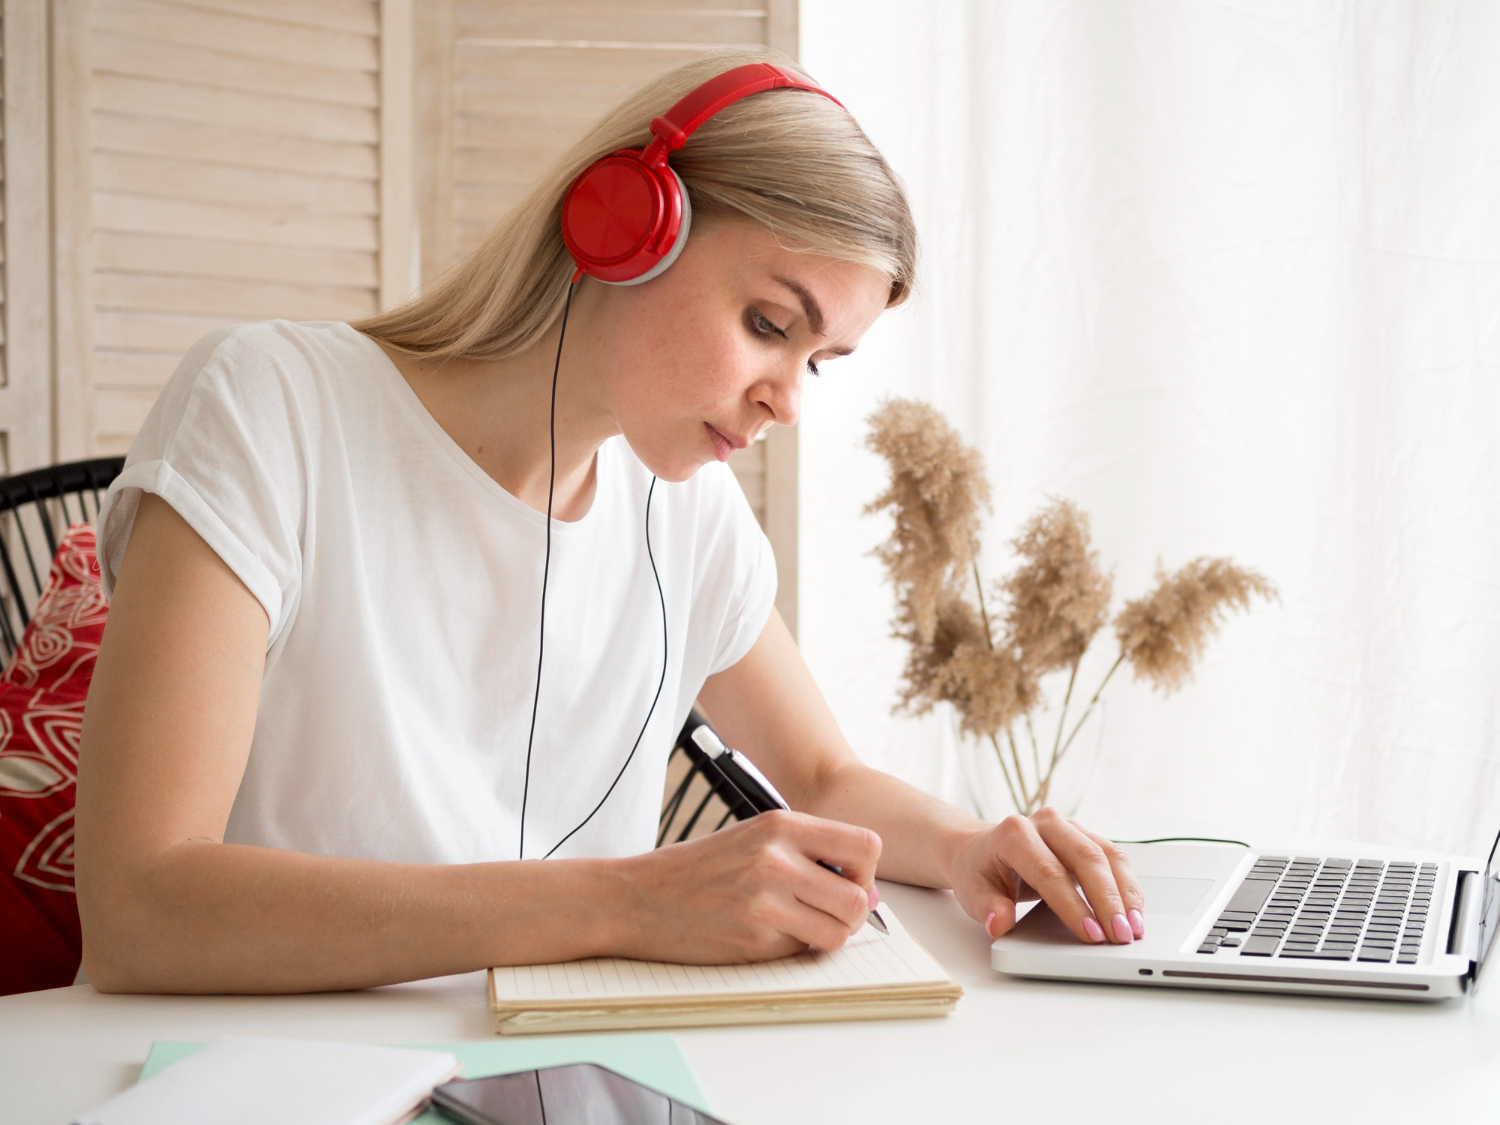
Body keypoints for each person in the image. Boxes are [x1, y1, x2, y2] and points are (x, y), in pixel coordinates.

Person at [75, 50, 1143, 994]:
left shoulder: (687, 513)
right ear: (623, 228)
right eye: (769, 323)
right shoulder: (271, 405)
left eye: (816, 361)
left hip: (567, 1076)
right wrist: (630, 905)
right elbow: (140, 909)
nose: (788, 399)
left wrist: (966, 848)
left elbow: (819, 775)